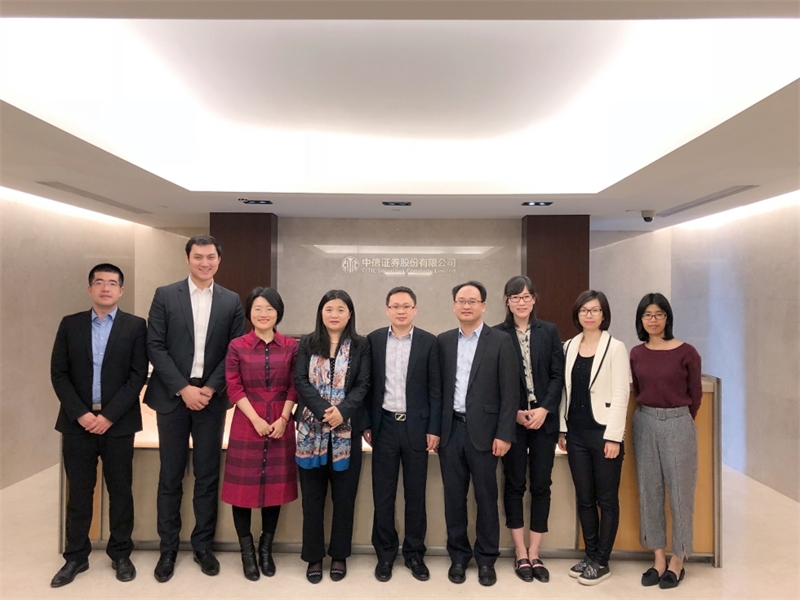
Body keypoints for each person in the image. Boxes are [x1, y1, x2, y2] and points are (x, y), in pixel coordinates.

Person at [144, 235, 245, 582]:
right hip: (172, 396)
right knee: (170, 476)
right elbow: (155, 346)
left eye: (211, 257)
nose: (205, 262)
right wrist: (182, 388)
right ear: (187, 258)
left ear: (219, 260)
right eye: (198, 256)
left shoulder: (231, 300)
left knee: (207, 475)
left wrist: (209, 388)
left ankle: (203, 546)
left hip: (210, 398)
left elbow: (233, 351)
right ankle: (168, 549)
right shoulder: (165, 295)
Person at [49, 264, 148, 587]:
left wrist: (109, 416)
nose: (106, 288)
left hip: (118, 423)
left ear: (121, 290)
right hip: (77, 422)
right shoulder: (70, 324)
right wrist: (81, 413)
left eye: (112, 283)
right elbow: (59, 373)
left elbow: (137, 375)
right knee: (79, 492)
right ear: (90, 288)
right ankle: (76, 556)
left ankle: (120, 553)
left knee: (120, 491)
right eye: (99, 282)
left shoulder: (136, 326)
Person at [437, 280, 518, 587]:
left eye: (473, 301)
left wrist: (504, 433)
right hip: (451, 432)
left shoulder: (500, 341)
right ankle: (458, 557)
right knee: (454, 499)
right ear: (454, 306)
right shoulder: (444, 341)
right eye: (461, 300)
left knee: (486, 498)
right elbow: (438, 390)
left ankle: (486, 559)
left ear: (483, 305)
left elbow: (510, 392)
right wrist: (435, 431)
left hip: (486, 434)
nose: (466, 305)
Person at [365, 286, 442, 583]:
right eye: (395, 306)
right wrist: (367, 425)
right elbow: (368, 387)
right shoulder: (373, 340)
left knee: (415, 495)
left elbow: (436, 389)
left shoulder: (429, 342)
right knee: (383, 495)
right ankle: (385, 555)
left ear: (415, 309)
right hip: (384, 426)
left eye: (406, 306)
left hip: (417, 429)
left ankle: (414, 554)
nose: (400, 311)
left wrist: (433, 428)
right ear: (387, 310)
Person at [221, 287, 298, 580]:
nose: (263, 314)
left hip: (281, 420)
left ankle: (266, 549)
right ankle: (247, 552)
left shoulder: (291, 346)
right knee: (242, 491)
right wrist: (254, 419)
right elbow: (233, 385)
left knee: (274, 490)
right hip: (247, 420)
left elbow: (295, 385)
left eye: (269, 309)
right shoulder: (237, 346)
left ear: (278, 313)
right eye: (257, 309)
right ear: (249, 312)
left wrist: (283, 418)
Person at [294, 289, 370, 584]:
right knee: (312, 500)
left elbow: (363, 384)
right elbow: (300, 380)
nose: (334, 314)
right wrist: (325, 411)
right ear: (321, 313)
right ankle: (313, 556)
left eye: (340, 309)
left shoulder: (361, 345)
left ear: (349, 314)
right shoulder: (307, 343)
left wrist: (342, 412)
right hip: (310, 432)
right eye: (329, 309)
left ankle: (339, 554)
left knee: (344, 498)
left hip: (346, 433)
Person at [494, 275, 564, 583]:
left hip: (543, 421)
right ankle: (520, 551)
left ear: (534, 299)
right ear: (507, 301)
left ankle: (535, 552)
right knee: (513, 483)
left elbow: (557, 376)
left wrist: (544, 409)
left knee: (541, 484)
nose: (521, 302)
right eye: (515, 297)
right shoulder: (496, 334)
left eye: (526, 297)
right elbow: (494, 381)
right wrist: (515, 413)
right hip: (513, 421)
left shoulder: (549, 331)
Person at [630, 292, 702, 590]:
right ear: (641, 320)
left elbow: (695, 395)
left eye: (659, 314)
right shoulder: (636, 353)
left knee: (680, 494)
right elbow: (638, 389)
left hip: (678, 423)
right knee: (649, 491)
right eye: (648, 315)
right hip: (644, 422)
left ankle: (678, 559)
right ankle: (658, 558)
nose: (653, 320)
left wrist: (678, 419)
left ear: (667, 318)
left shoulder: (687, 352)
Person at [558, 290, 629, 585]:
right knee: (585, 498)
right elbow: (565, 391)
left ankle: (602, 560)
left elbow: (621, 393)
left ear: (603, 314)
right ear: (577, 314)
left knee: (606, 499)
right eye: (584, 310)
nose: (589, 315)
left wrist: (614, 437)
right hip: (575, 433)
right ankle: (590, 555)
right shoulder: (568, 346)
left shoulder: (616, 347)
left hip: (603, 434)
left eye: (595, 310)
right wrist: (562, 428)